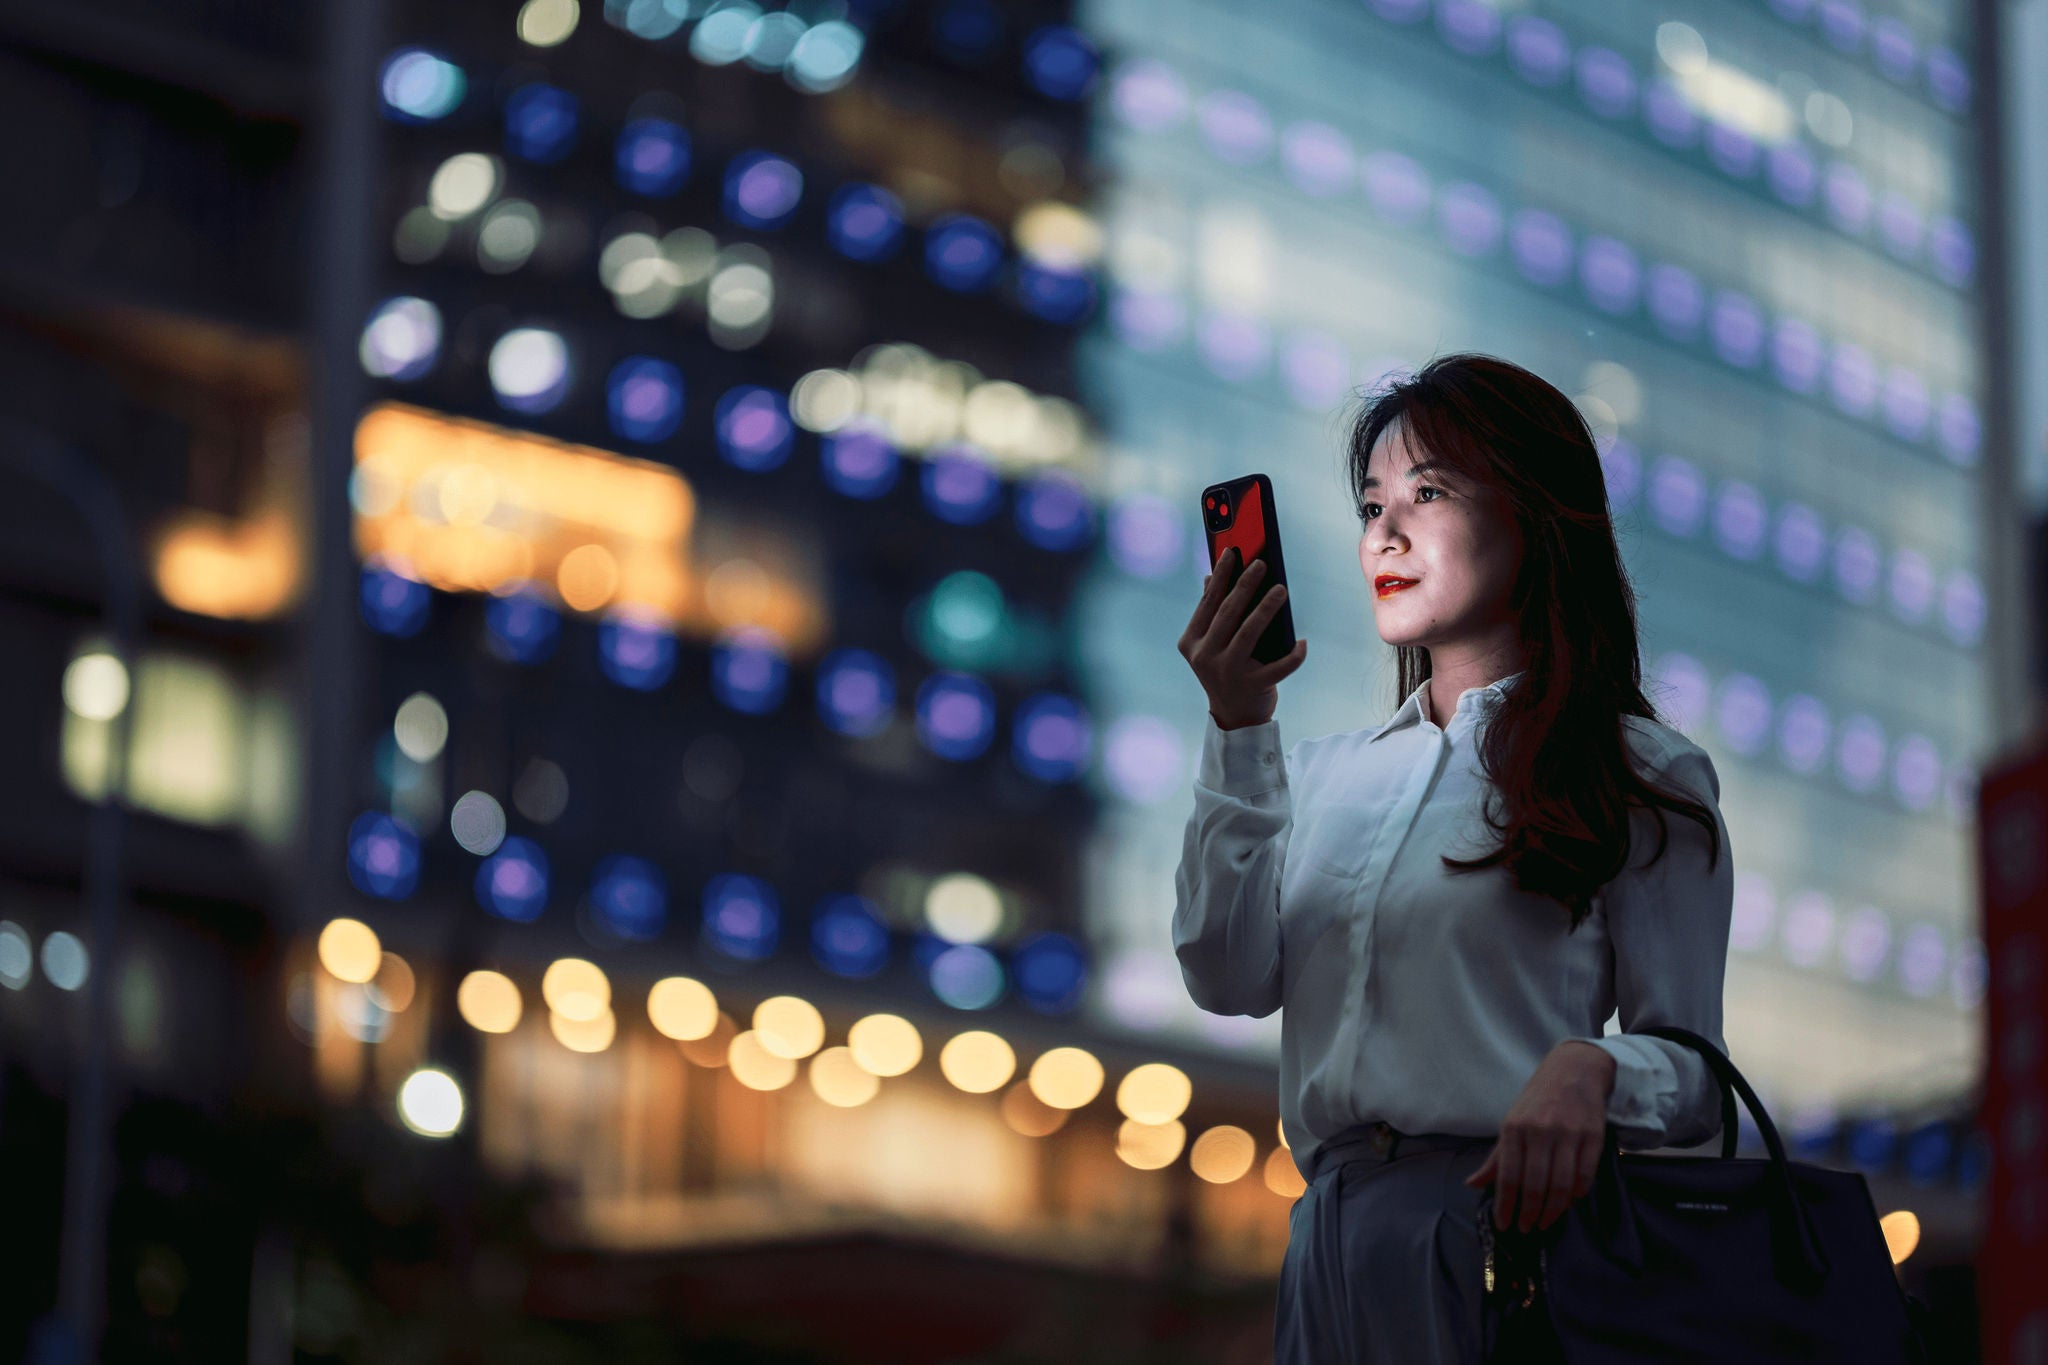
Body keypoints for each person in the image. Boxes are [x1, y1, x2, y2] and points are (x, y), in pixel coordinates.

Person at [1173, 352, 1733, 1363]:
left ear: (1534, 516)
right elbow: (1224, 975)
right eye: (1371, 504)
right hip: (1322, 1243)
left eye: (1426, 493)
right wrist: (1237, 725)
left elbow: (1694, 1075)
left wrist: (1590, 1068)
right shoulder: (1322, 775)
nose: (1382, 533)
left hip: (1502, 1239)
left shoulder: (1637, 770)